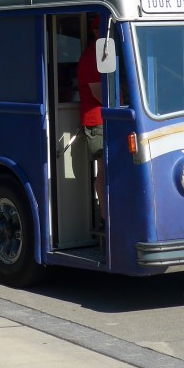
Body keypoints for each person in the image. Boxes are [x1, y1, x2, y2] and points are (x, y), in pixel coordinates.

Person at [77, 15, 105, 228]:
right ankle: (106, 217)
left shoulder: (101, 55)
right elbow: (99, 94)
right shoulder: (92, 56)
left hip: (103, 119)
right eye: (101, 30)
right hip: (98, 121)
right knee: (105, 170)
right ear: (95, 32)